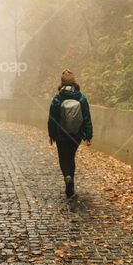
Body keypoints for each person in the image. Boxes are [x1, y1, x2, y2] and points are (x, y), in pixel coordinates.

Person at [47, 69, 93, 198]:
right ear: (74, 82)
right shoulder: (81, 98)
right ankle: (71, 182)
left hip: (61, 135)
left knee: (63, 157)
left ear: (62, 83)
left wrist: (52, 135)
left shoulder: (57, 98)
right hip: (76, 134)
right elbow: (86, 118)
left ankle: (67, 177)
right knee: (71, 157)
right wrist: (88, 136)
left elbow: (52, 119)